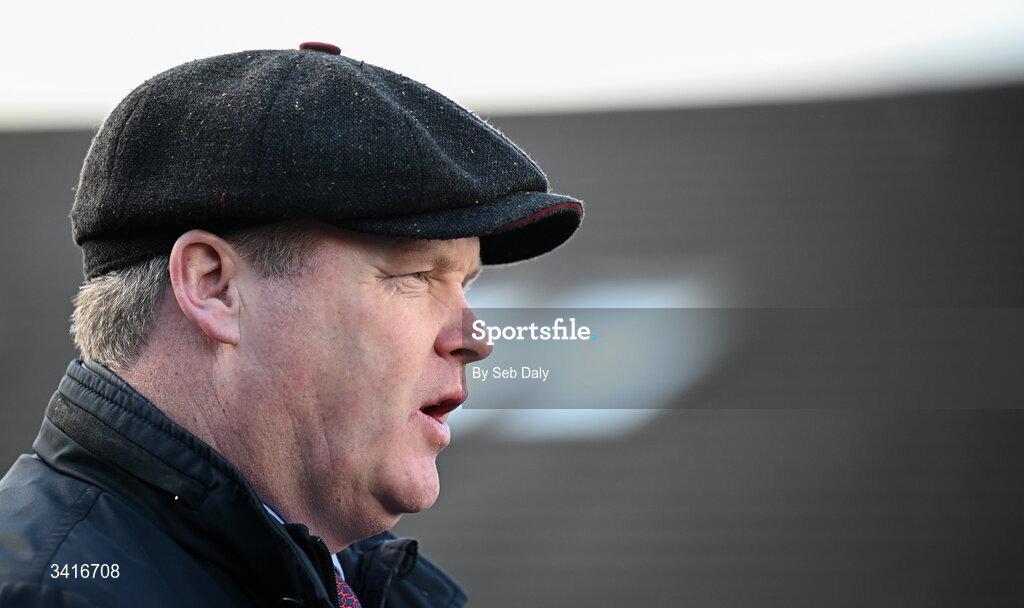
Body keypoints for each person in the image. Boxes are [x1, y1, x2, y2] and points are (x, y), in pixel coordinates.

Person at [0, 42, 582, 607]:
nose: (474, 340)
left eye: (467, 284)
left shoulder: (362, 582)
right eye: (416, 275)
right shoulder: (46, 591)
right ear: (214, 287)